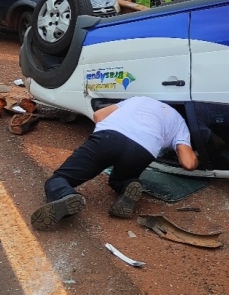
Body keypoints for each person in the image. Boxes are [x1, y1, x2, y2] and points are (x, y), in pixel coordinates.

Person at [30, 96, 199, 230]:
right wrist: (194, 154)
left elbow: (98, 115)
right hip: (143, 150)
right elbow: (189, 163)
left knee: (59, 178)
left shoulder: (139, 99)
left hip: (109, 137)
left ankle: (65, 194)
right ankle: (129, 186)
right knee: (120, 178)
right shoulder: (180, 123)